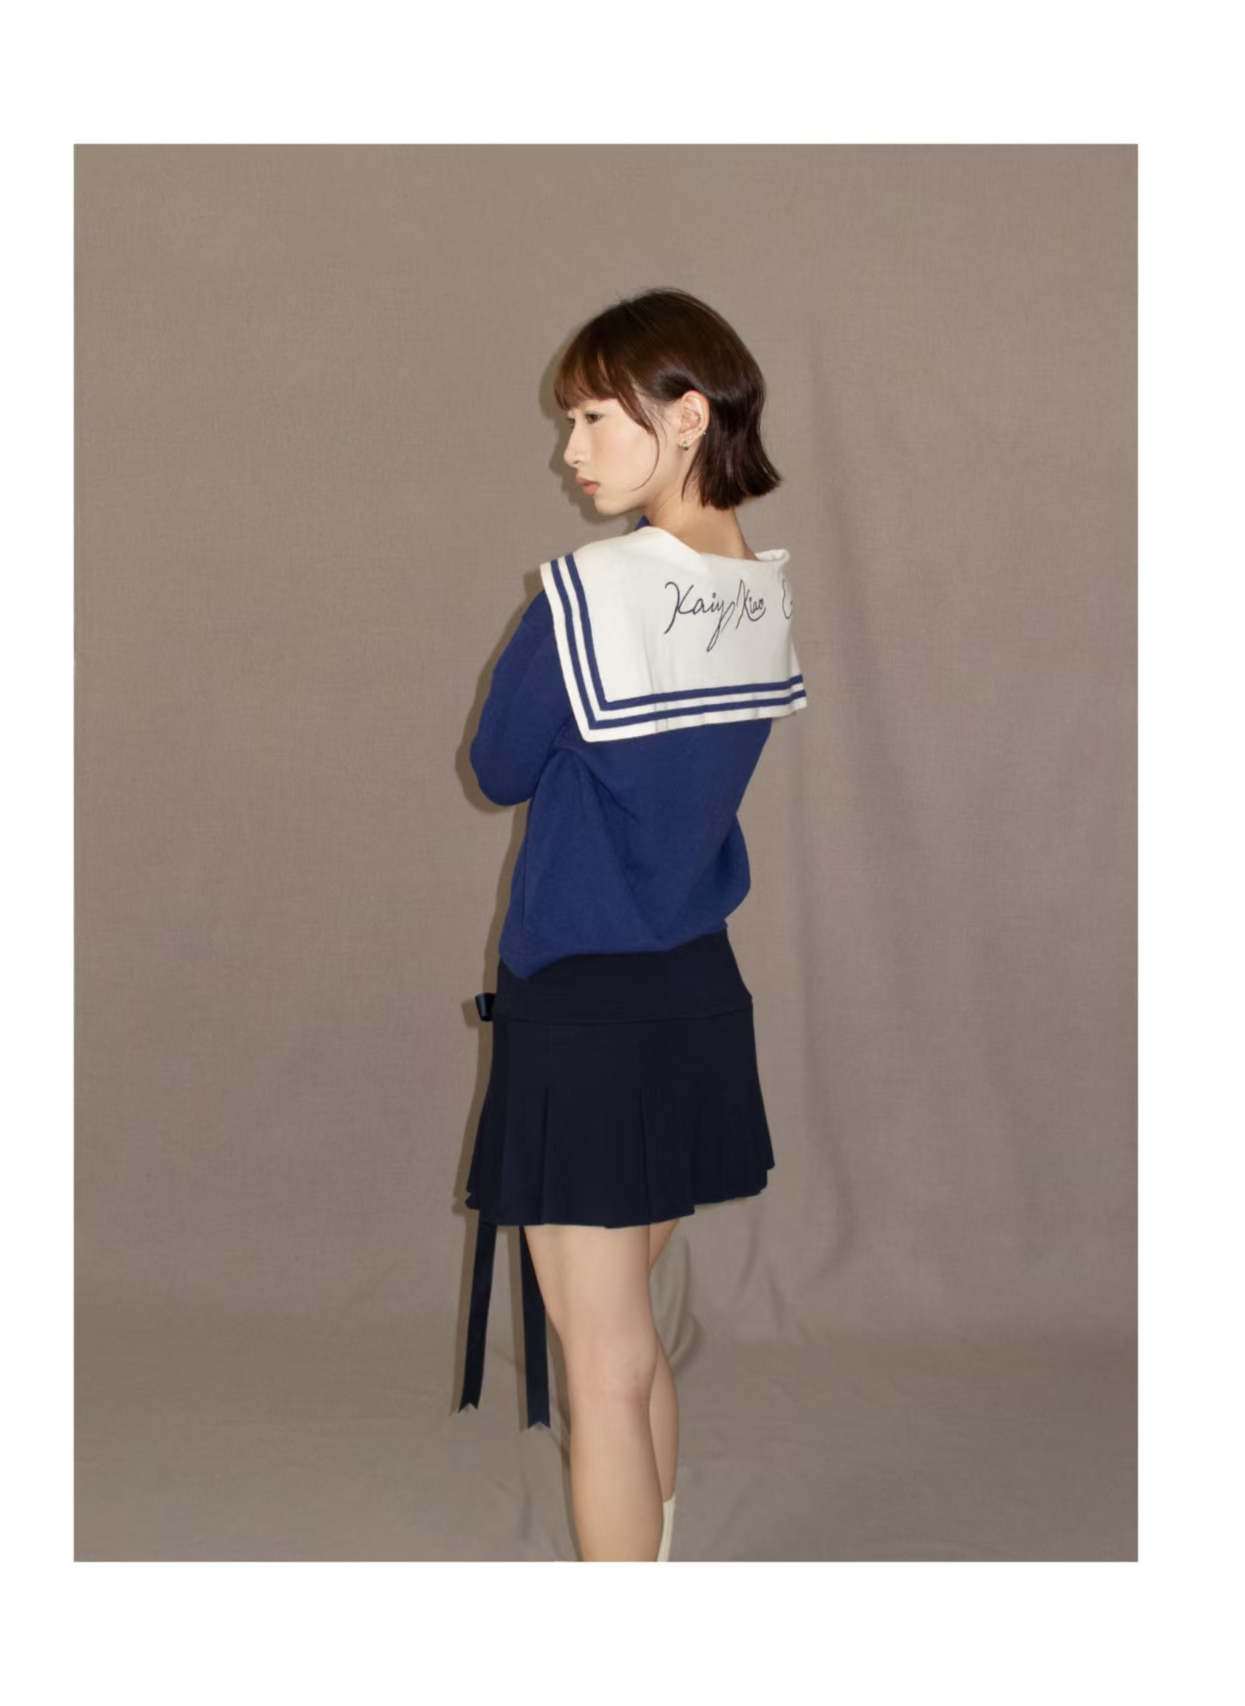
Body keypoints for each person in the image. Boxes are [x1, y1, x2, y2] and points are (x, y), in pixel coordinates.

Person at [457, 286, 807, 1561]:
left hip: (586, 1009)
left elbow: (497, 765)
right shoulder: (759, 590)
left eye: (596, 417)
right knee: (630, 1334)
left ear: (688, 416)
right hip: (695, 993)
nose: (572, 449)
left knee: (598, 1360)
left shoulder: (588, 592)